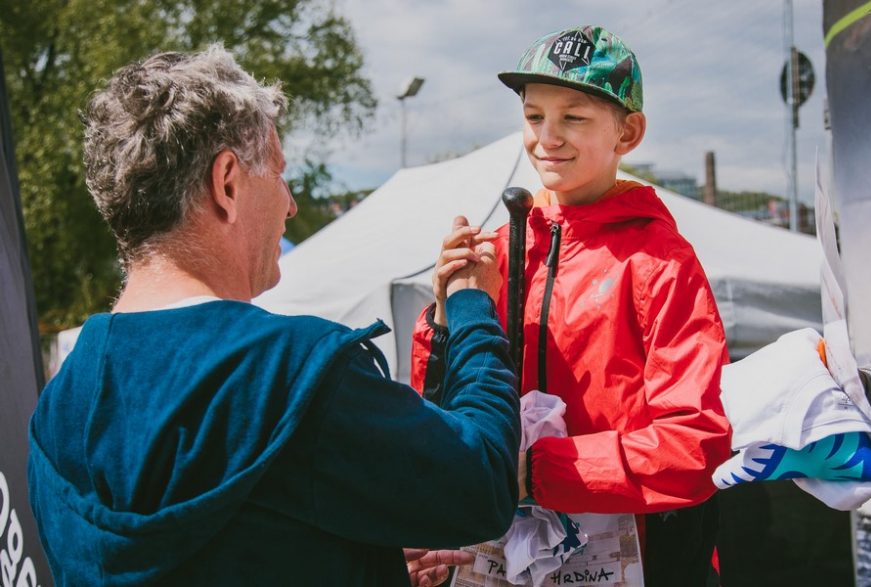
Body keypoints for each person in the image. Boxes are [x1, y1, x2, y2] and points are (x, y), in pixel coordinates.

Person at [27, 45, 522, 587]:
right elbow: (481, 485)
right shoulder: (289, 373)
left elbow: (225, 543)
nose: (289, 204)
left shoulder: (58, 405)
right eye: (279, 174)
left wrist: (356, 557)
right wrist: (473, 306)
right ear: (228, 183)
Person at [411, 25, 731, 585]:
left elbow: (695, 445)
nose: (547, 137)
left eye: (573, 117)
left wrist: (532, 472)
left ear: (628, 132)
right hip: (496, 553)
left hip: (642, 557)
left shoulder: (661, 261)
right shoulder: (498, 246)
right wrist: (443, 318)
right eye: (534, 116)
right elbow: (436, 405)